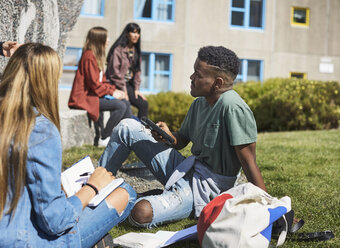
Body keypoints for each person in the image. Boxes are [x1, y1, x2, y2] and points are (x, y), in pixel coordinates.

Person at [98, 46, 267, 228]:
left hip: (204, 190)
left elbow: (249, 163)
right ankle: (98, 187)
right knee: (126, 127)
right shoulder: (199, 103)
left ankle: (137, 197)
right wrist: (168, 136)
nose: (191, 77)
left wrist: (268, 207)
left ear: (217, 83)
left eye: (198, 74)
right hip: (186, 169)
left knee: (141, 212)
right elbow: (182, 140)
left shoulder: (233, 107)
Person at [0, 43, 136, 247]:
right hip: (25, 240)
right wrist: (92, 187)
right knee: (125, 192)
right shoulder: (39, 129)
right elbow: (54, 221)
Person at [68, 27, 132, 147]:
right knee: (120, 106)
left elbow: (101, 82)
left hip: (94, 95)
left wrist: (115, 90)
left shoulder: (96, 56)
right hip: (85, 98)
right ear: (99, 40)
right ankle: (104, 137)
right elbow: (94, 84)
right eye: (106, 37)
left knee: (125, 103)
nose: (108, 40)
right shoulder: (89, 56)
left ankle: (128, 137)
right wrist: (112, 93)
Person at [106, 22, 148, 119]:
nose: (136, 35)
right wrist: (124, 91)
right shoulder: (118, 50)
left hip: (128, 85)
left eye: (138, 33)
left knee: (143, 104)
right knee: (126, 105)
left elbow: (138, 72)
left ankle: (143, 130)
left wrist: (136, 89)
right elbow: (114, 73)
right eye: (133, 32)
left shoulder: (136, 51)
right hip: (115, 84)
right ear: (127, 34)